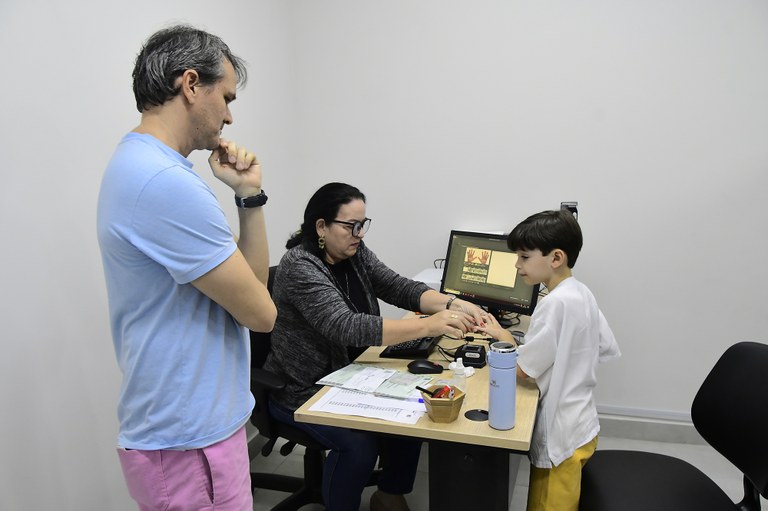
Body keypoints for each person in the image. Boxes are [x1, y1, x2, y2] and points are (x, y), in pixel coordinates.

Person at [97, 25, 276, 511]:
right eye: (227, 97)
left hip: (192, 432)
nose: (230, 116)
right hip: (188, 442)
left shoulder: (142, 165)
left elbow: (252, 291)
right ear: (191, 84)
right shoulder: (163, 183)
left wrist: (247, 196)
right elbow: (262, 314)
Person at [263, 182, 488, 511]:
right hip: (304, 389)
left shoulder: (352, 254)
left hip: (353, 375)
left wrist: (453, 303)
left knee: (415, 406)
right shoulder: (300, 266)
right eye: (351, 226)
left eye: (363, 224)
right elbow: (347, 327)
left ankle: (388, 495)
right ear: (321, 226)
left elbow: (399, 288)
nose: (359, 233)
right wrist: (429, 324)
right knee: (358, 445)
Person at [478, 210, 620, 511]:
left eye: (524, 257)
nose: (517, 265)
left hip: (560, 438)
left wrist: (502, 337)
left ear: (556, 258)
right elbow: (605, 346)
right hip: (581, 424)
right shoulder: (581, 292)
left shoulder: (554, 305)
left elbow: (521, 370)